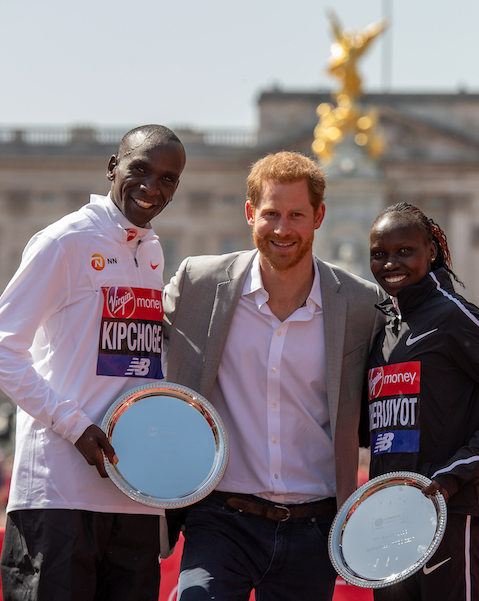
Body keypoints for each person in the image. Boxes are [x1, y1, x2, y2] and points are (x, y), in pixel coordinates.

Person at [163, 151, 385, 601]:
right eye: (271, 214)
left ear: (319, 216)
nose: (283, 229)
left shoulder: (363, 304)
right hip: (220, 516)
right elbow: (132, 339)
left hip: (314, 526)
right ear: (250, 214)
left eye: (296, 215)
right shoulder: (199, 283)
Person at [0, 124, 186, 600]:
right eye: (140, 169)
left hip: (136, 492)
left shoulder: (151, 251)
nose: (152, 187)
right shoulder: (65, 241)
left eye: (168, 179)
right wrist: (74, 426)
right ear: (113, 167)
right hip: (60, 493)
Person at [364, 203, 479, 601]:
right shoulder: (384, 329)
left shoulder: (455, 315)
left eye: (404, 250)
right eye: (379, 253)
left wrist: (451, 476)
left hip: (449, 512)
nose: (391, 262)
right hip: (390, 518)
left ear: (432, 252)